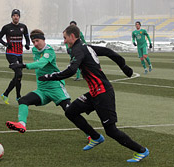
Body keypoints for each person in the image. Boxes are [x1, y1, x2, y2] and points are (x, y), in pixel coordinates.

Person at [39, 25, 149, 163]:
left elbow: (72, 70)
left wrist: (50, 76)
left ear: (72, 36)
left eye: (65, 38)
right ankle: (95, 137)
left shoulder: (78, 49)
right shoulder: (86, 47)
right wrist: (124, 67)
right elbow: (109, 52)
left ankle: (141, 150)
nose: (65, 41)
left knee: (111, 130)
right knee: (71, 111)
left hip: (103, 93)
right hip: (94, 93)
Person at [5, 29, 71, 133]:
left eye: (37, 41)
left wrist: (23, 65)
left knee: (71, 112)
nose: (35, 44)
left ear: (43, 39)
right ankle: (21, 124)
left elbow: (40, 63)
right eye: (33, 42)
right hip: (42, 89)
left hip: (55, 87)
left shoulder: (49, 51)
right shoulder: (35, 50)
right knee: (23, 101)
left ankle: (90, 135)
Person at [0, 9, 30, 104]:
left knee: (18, 76)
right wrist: (6, 44)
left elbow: (27, 38)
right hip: (10, 54)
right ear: (12, 17)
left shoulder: (23, 27)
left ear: (19, 17)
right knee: (19, 73)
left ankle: (6, 94)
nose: (16, 17)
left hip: (20, 54)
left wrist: (27, 44)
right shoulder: (7, 27)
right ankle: (18, 97)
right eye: (14, 15)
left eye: (17, 15)